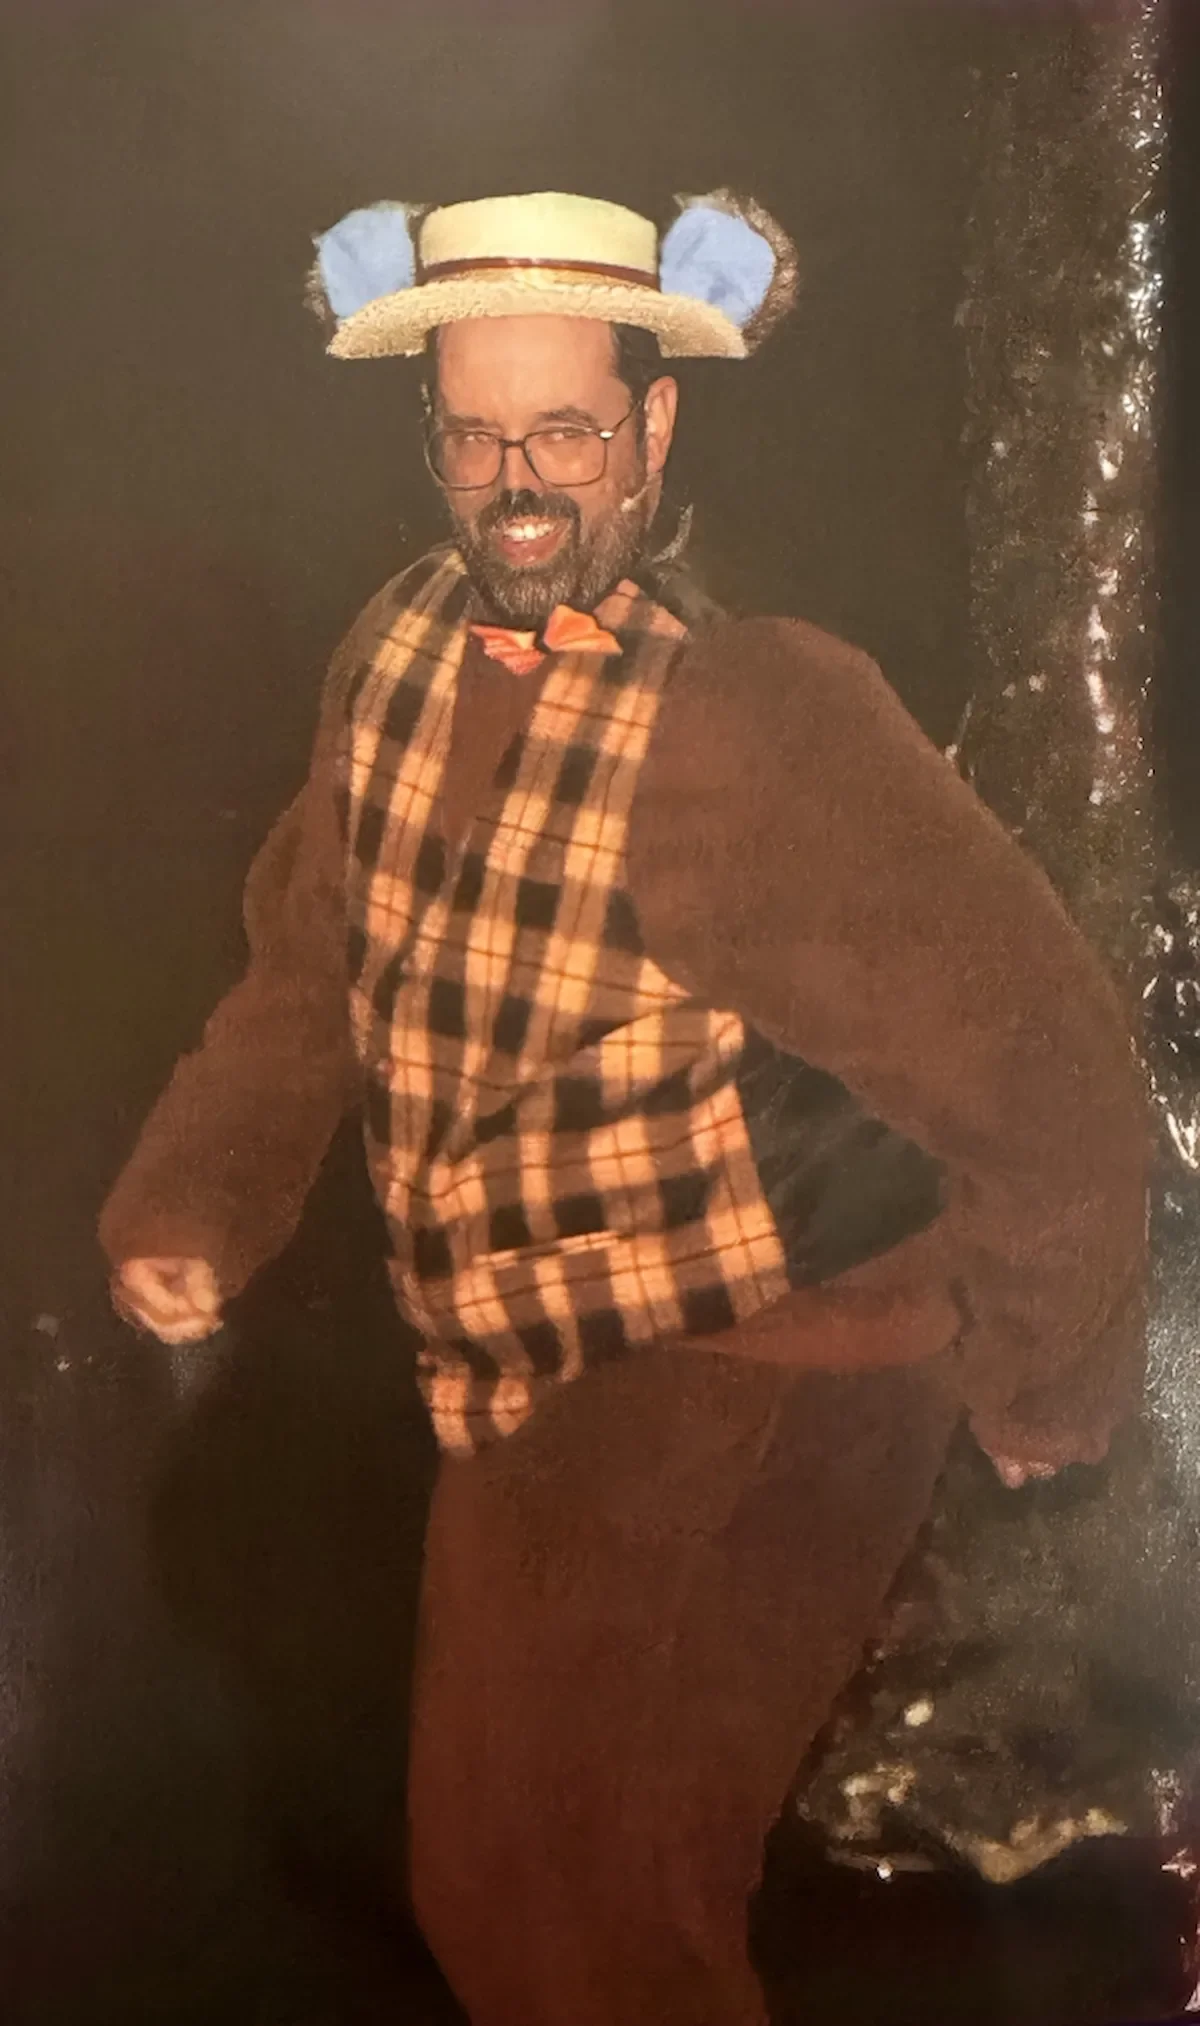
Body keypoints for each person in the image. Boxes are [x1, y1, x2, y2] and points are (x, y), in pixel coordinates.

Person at [100, 189, 1149, 2025]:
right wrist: (198, 1194)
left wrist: (1054, 1363)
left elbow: (1044, 1048)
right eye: (476, 432)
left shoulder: (756, 720)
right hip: (553, 1340)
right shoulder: (401, 652)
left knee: (533, 1888)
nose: (518, 479)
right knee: (626, 1892)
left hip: (740, 1354)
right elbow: (311, 968)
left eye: (566, 432)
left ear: (654, 429)